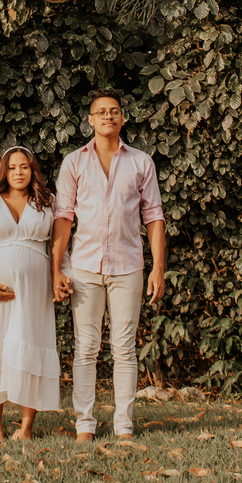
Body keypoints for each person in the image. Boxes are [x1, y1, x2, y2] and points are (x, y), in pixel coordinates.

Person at [51, 88, 167, 441]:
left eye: (114, 111)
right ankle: (84, 424)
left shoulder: (141, 162)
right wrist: (56, 269)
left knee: (124, 349)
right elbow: (63, 217)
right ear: (90, 119)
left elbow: (154, 216)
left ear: (123, 117)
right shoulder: (74, 162)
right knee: (85, 348)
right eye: (101, 112)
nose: (108, 116)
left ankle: (123, 425)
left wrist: (158, 268)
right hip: (84, 266)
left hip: (128, 265)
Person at [0, 145, 62, 439]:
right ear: (3, 171)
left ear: (33, 170)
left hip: (34, 292)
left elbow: (57, 246)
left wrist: (60, 277)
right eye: (12, 167)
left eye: (24, 167)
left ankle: (26, 427)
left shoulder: (48, 202)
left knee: (31, 345)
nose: (18, 172)